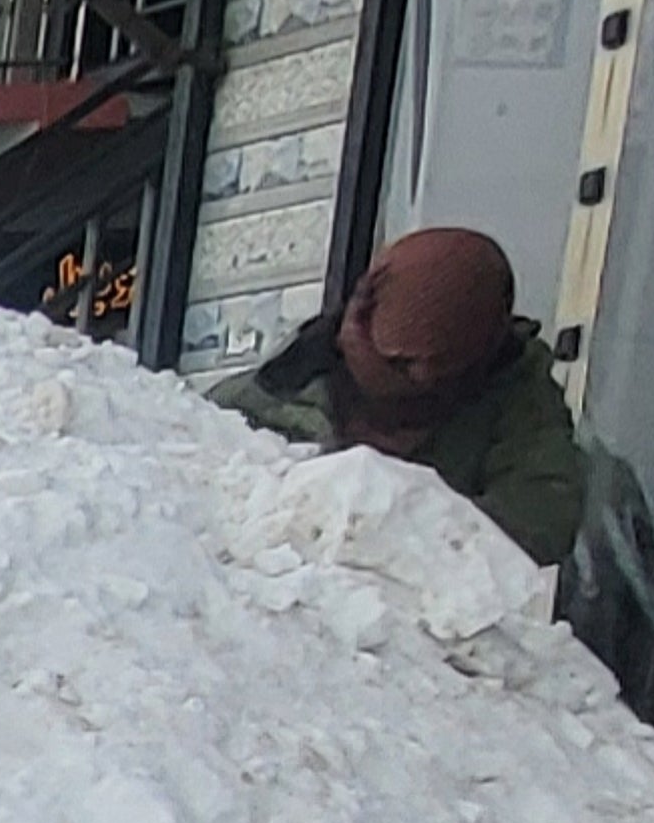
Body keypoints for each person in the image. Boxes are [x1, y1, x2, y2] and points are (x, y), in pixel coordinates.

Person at [216, 226, 594, 567]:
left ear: (470, 358)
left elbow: (543, 516)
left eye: (418, 367)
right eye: (386, 359)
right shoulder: (277, 388)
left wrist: (402, 530)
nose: (405, 378)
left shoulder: (516, 403)